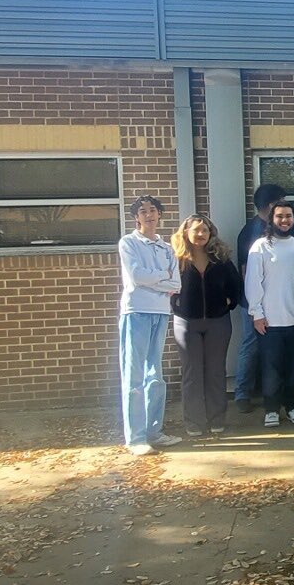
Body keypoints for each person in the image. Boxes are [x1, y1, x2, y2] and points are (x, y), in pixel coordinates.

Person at [118, 195, 182, 455]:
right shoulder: (128, 243)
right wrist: (162, 277)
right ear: (136, 217)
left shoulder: (167, 248)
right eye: (143, 211)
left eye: (152, 210)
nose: (148, 215)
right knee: (134, 377)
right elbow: (136, 276)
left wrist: (158, 280)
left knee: (155, 375)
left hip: (160, 312)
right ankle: (135, 439)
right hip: (136, 312)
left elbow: (176, 284)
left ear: (159, 214)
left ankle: (154, 432)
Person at [170, 214, 243, 437]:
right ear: (186, 232)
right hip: (186, 324)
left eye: (205, 230)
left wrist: (229, 303)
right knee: (192, 372)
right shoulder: (176, 259)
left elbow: (236, 285)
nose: (201, 234)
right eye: (196, 230)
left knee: (215, 372)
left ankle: (216, 419)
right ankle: (193, 421)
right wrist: (176, 305)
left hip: (217, 322)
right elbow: (166, 286)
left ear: (211, 234)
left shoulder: (220, 258)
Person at [245, 200, 294, 428]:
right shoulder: (260, 246)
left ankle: (293, 406)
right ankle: (272, 409)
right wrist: (257, 314)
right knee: (271, 369)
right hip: (269, 322)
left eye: (289, 216)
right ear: (271, 219)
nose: (285, 220)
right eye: (280, 216)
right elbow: (252, 282)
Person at [234, 183, 286, 413]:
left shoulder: (277, 230)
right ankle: (242, 394)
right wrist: (255, 303)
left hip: (277, 300)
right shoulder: (253, 231)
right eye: (280, 202)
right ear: (271, 204)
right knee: (251, 344)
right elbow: (246, 270)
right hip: (253, 302)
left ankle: (274, 392)